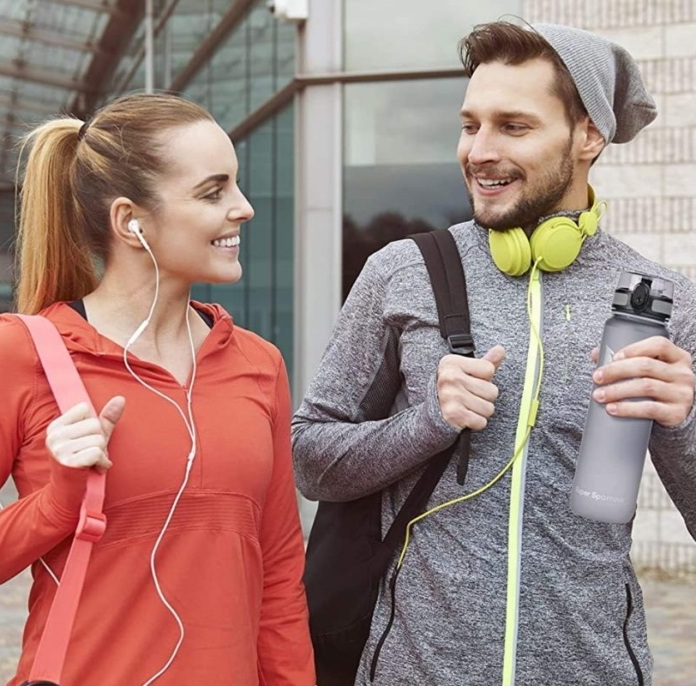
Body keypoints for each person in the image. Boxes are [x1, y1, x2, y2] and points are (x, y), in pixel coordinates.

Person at [292, 20, 696, 686]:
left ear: (589, 135)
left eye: (513, 127)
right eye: (469, 124)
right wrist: (426, 421)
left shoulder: (658, 299)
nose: (479, 151)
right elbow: (311, 458)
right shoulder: (402, 272)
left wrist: (681, 426)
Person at [0, 92, 315, 685]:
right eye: (213, 192)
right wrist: (55, 507)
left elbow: (281, 577)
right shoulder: (17, 355)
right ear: (130, 221)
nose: (243, 208)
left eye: (235, 186)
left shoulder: (258, 364)